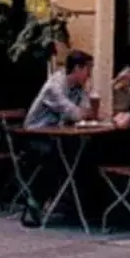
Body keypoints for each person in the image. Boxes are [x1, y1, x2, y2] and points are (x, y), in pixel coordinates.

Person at [20, 50, 97, 224]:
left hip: (59, 135)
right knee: (55, 155)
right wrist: (85, 112)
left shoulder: (78, 88)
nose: (90, 75)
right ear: (77, 68)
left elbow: (87, 111)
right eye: (88, 69)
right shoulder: (55, 87)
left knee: (87, 151)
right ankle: (35, 202)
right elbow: (76, 114)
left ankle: (77, 203)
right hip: (36, 135)